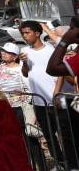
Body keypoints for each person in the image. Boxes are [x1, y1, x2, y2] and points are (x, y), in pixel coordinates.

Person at [20, 20, 69, 166]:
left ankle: (72, 161)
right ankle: (60, 162)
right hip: (39, 101)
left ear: (37, 33)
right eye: (22, 33)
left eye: (27, 32)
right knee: (48, 135)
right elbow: (26, 74)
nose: (24, 36)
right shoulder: (25, 52)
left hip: (55, 99)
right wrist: (23, 63)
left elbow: (61, 73)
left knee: (65, 134)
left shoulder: (51, 49)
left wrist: (56, 94)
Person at [0, 42, 45, 169]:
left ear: (15, 56)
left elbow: (29, 88)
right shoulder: (0, 67)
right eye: (2, 51)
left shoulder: (21, 69)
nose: (3, 53)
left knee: (29, 138)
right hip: (6, 108)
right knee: (12, 139)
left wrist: (29, 108)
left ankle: (41, 166)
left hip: (21, 107)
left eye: (7, 52)